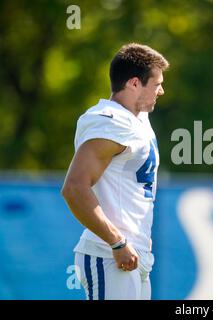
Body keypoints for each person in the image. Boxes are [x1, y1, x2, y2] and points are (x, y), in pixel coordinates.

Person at [61, 43, 169, 300]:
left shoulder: (136, 117)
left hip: (136, 255)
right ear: (133, 83)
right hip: (110, 254)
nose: (161, 91)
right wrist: (116, 241)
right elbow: (74, 188)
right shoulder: (109, 120)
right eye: (156, 84)